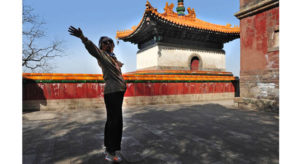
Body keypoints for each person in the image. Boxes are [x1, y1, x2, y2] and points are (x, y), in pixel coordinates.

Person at [68, 26, 127, 162]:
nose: (108, 44)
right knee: (115, 121)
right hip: (112, 92)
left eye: (110, 41)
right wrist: (83, 38)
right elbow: (92, 49)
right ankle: (110, 152)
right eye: (104, 42)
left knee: (114, 120)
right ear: (101, 46)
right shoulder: (103, 55)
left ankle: (110, 148)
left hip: (118, 92)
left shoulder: (113, 58)